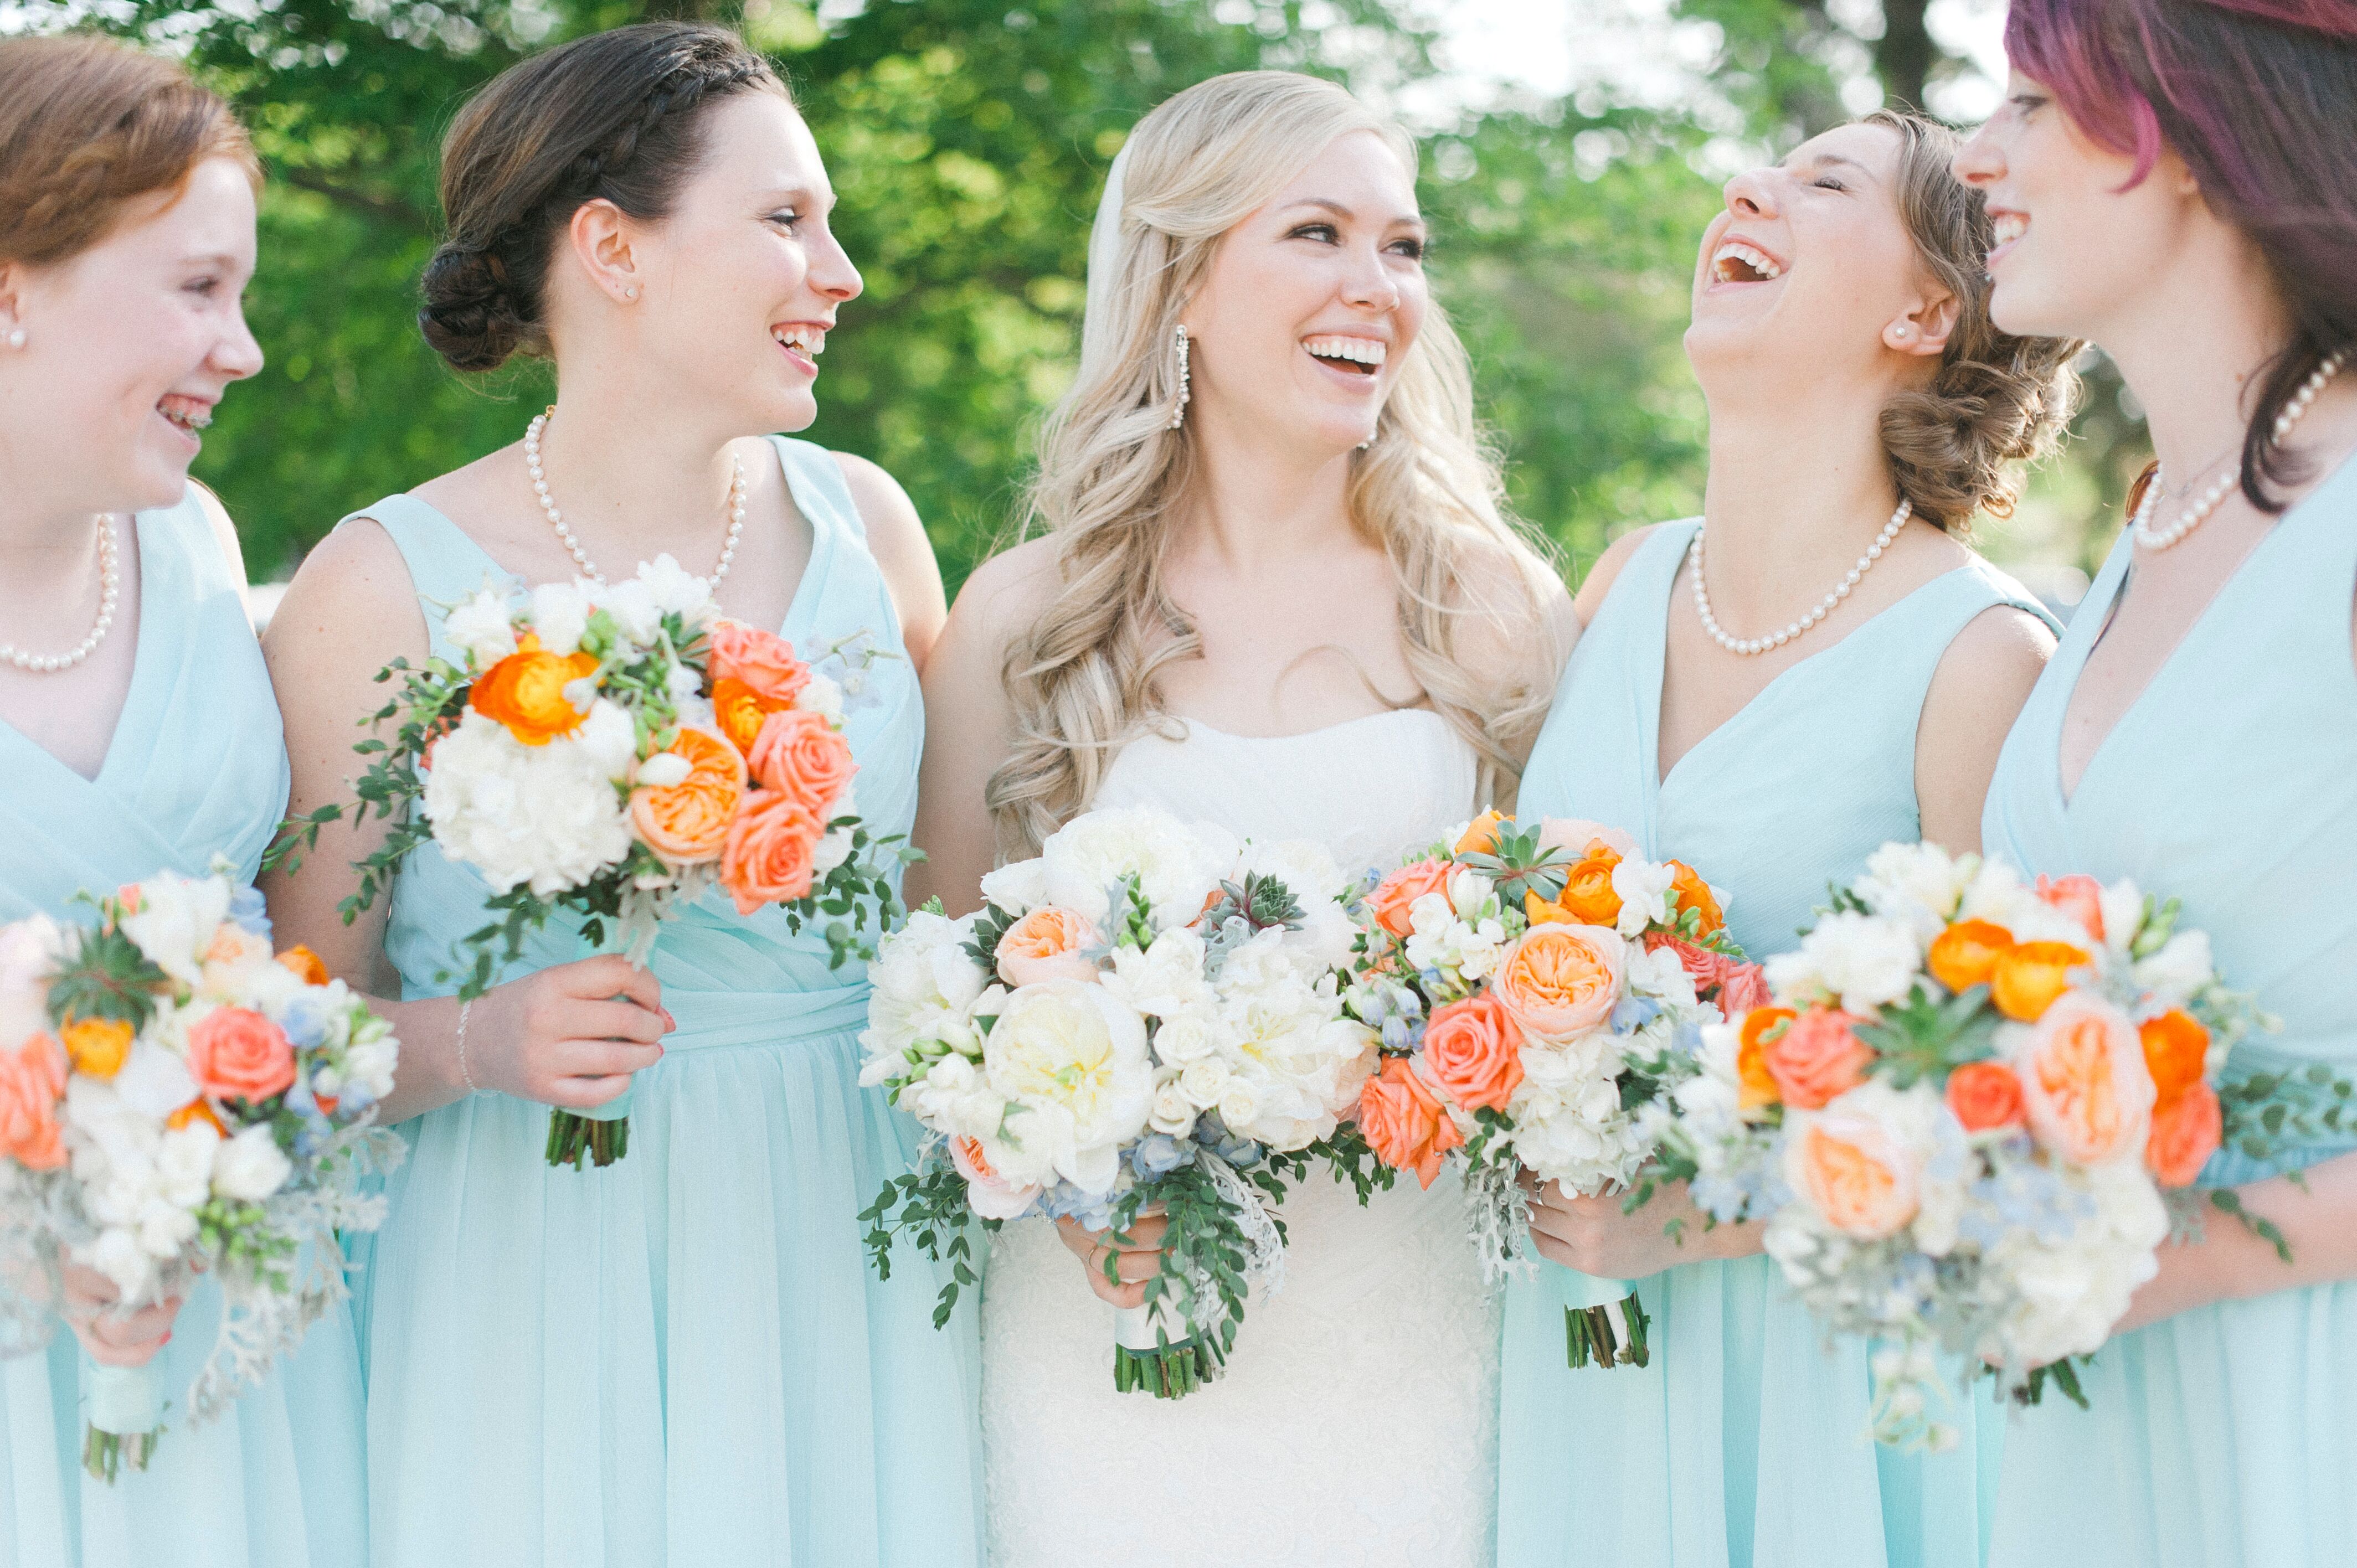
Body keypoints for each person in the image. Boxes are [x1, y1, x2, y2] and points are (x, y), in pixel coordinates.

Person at [261, 23, 977, 1565]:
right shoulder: (382, 585)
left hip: (846, 1233)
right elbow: (283, 1040)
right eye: (787, 219)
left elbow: (960, 924)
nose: (838, 272)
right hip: (530, 1262)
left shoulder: (872, 528)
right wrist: (476, 1038)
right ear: (613, 249)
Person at [906, 69, 1573, 1567]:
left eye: (1403, 248)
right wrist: (1050, 1177)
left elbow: (1556, 985)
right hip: (1114, 1329)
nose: (1377, 289)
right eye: (1320, 235)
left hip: (1410, 1333)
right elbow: (934, 1011)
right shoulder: (1031, 618)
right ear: (1182, 280)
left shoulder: (1489, 608)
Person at [1495, 110, 2078, 1568]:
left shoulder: (1982, 658)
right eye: (1763, 170)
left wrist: (1709, 1219)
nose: (1746, 187)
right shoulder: (1623, 581)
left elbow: (2026, 1115)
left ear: (1926, 309)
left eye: (1824, 183)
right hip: (1576, 1364)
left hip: (1827, 1387)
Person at [1953, 3, 2357, 1563]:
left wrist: (2167, 1260)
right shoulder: (2151, 528)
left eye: (2032, 108)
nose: (1980, 157)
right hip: (2119, 1437)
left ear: (2185, 135)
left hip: (2307, 1406)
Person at [0, 34, 367, 1568]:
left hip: (236, 1332)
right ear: (13, 289)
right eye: (198, 289)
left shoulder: (199, 546)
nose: (245, 349)